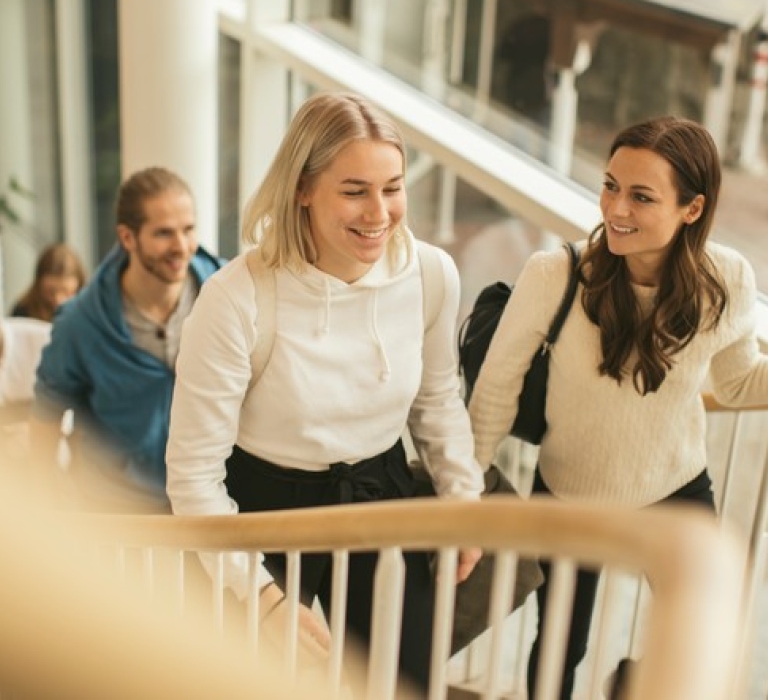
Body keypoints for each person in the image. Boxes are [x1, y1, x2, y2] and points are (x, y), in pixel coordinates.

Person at [165, 91, 484, 692]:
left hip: (378, 490)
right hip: (258, 511)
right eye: (355, 190)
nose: (380, 212)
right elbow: (193, 476)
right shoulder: (235, 298)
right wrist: (260, 596)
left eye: (393, 186)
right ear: (303, 189)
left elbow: (437, 398)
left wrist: (464, 496)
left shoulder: (431, 275)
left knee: (402, 683)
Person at [468, 115, 768, 700]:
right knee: (558, 648)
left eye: (641, 196)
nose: (615, 209)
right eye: (610, 185)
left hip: (675, 486)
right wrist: (467, 495)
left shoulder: (727, 280)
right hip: (569, 496)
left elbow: (736, 384)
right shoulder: (555, 273)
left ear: (692, 209)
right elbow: (496, 392)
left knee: (707, 629)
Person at [30, 167, 222, 511]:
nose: (181, 246)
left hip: (212, 504)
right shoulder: (80, 323)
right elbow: (46, 418)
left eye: (188, 230)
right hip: (120, 518)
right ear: (128, 237)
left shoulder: (227, 294)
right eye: (164, 233)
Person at [11, 242, 87, 322]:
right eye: (50, 292)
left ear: (78, 286)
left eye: (66, 291)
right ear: (39, 286)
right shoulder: (23, 311)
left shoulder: (88, 312)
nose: (58, 299)